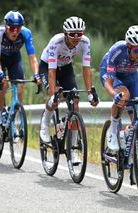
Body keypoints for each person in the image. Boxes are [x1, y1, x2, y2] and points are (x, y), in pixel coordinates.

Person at [39, 16, 99, 151]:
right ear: (66, 34)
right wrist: (53, 93)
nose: (76, 37)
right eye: (72, 34)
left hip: (66, 68)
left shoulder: (85, 42)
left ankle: (72, 146)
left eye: (80, 34)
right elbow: (51, 71)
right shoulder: (56, 41)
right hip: (48, 66)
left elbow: (86, 69)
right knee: (55, 98)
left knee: (75, 101)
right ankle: (45, 123)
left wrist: (90, 93)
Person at [0, 10, 41, 138]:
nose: (15, 32)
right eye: (12, 28)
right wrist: (0, 74)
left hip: (14, 59)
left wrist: (36, 74)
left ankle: (14, 122)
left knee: (20, 88)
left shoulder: (26, 34)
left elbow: (32, 58)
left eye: (18, 28)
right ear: (6, 26)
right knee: (3, 86)